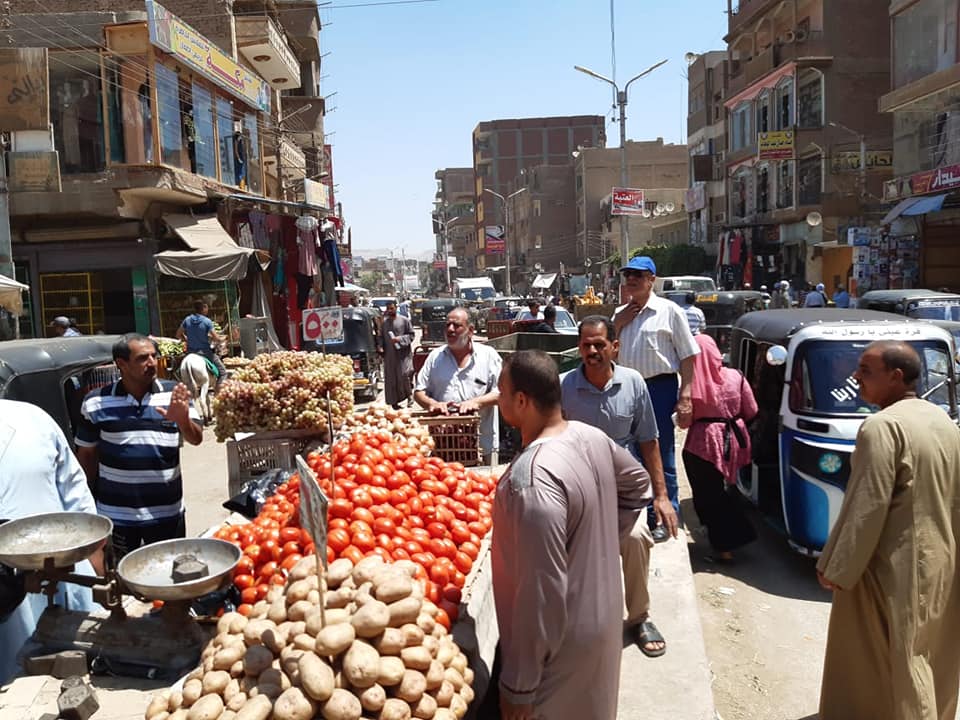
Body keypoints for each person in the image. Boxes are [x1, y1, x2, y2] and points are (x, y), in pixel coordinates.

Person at [493, 350, 651, 720]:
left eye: (502, 392)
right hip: (603, 619)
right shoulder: (590, 436)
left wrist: (519, 685)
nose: (498, 400)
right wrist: (596, 540)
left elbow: (540, 593)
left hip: (561, 645)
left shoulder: (532, 480)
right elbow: (638, 484)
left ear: (521, 400)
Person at [815, 341, 960, 720]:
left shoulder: (882, 427)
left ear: (896, 377)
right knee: (931, 652)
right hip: (941, 560)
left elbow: (867, 503)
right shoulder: (942, 420)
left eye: (865, 370)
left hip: (890, 566)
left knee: (894, 660)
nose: (855, 377)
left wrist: (835, 567)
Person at [560, 315, 678, 657]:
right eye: (586, 345)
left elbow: (649, 441)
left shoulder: (634, 383)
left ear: (615, 347)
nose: (592, 351)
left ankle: (639, 617)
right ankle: (577, 620)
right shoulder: (564, 386)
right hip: (579, 487)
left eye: (599, 344)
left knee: (637, 538)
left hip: (625, 488)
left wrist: (661, 496)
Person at [0, 399, 103, 684]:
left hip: (68, 571)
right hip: (6, 595)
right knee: (18, 682)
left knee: (87, 670)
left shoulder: (33, 418)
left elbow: (74, 490)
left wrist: (95, 558)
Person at [75, 334, 203, 559]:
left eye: (154, 356)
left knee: (168, 575)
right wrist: (85, 505)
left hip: (167, 514)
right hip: (116, 517)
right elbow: (86, 455)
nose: (152, 363)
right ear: (121, 364)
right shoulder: (95, 402)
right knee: (120, 577)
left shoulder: (175, 394)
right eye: (143, 358)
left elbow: (196, 438)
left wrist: (183, 420)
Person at [613, 256, 700, 540]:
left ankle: (665, 517)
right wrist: (617, 325)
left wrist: (686, 395)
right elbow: (607, 352)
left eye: (638, 275)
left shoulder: (669, 311)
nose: (631, 280)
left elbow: (688, 355)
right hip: (627, 389)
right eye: (628, 275)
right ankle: (641, 515)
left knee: (661, 453)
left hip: (659, 389)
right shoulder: (619, 314)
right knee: (629, 454)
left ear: (651, 279)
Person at [682, 333, 758, 561]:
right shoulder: (736, 376)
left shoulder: (692, 384)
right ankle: (732, 538)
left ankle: (725, 546)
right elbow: (752, 409)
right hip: (735, 439)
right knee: (726, 490)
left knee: (709, 494)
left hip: (703, 444)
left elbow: (684, 421)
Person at [413, 309, 502, 463]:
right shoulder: (435, 357)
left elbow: (502, 393)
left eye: (457, 325)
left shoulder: (488, 356)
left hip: (482, 444)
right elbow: (419, 391)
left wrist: (477, 402)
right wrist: (432, 404)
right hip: (443, 445)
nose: (450, 329)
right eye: (447, 325)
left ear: (470, 331)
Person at [176, 301, 227, 389]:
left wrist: (186, 339)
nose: (208, 309)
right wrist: (225, 338)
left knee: (177, 371)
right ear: (203, 308)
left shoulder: (187, 320)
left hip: (190, 352)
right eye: (206, 307)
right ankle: (218, 393)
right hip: (205, 353)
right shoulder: (207, 321)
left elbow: (178, 334)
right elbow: (216, 338)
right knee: (223, 373)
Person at [381, 300, 415, 409]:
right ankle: (394, 402)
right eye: (388, 309)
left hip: (403, 355)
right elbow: (380, 337)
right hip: (390, 356)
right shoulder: (384, 324)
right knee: (392, 377)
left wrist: (399, 339)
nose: (390, 311)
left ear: (396, 308)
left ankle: (409, 396)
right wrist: (380, 346)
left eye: (392, 308)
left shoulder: (404, 320)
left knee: (405, 375)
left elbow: (411, 335)